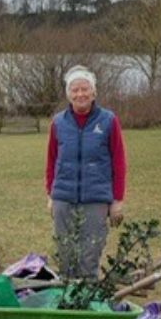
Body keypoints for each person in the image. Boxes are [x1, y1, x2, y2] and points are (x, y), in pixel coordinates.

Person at [44, 65, 126, 279]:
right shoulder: (58, 123)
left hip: (96, 199)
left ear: (93, 92)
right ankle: (66, 303)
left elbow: (119, 161)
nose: (80, 94)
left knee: (89, 256)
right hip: (63, 198)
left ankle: (87, 300)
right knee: (65, 256)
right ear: (68, 94)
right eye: (75, 90)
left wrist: (117, 200)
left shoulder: (108, 120)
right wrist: (51, 194)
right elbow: (52, 160)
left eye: (84, 89)